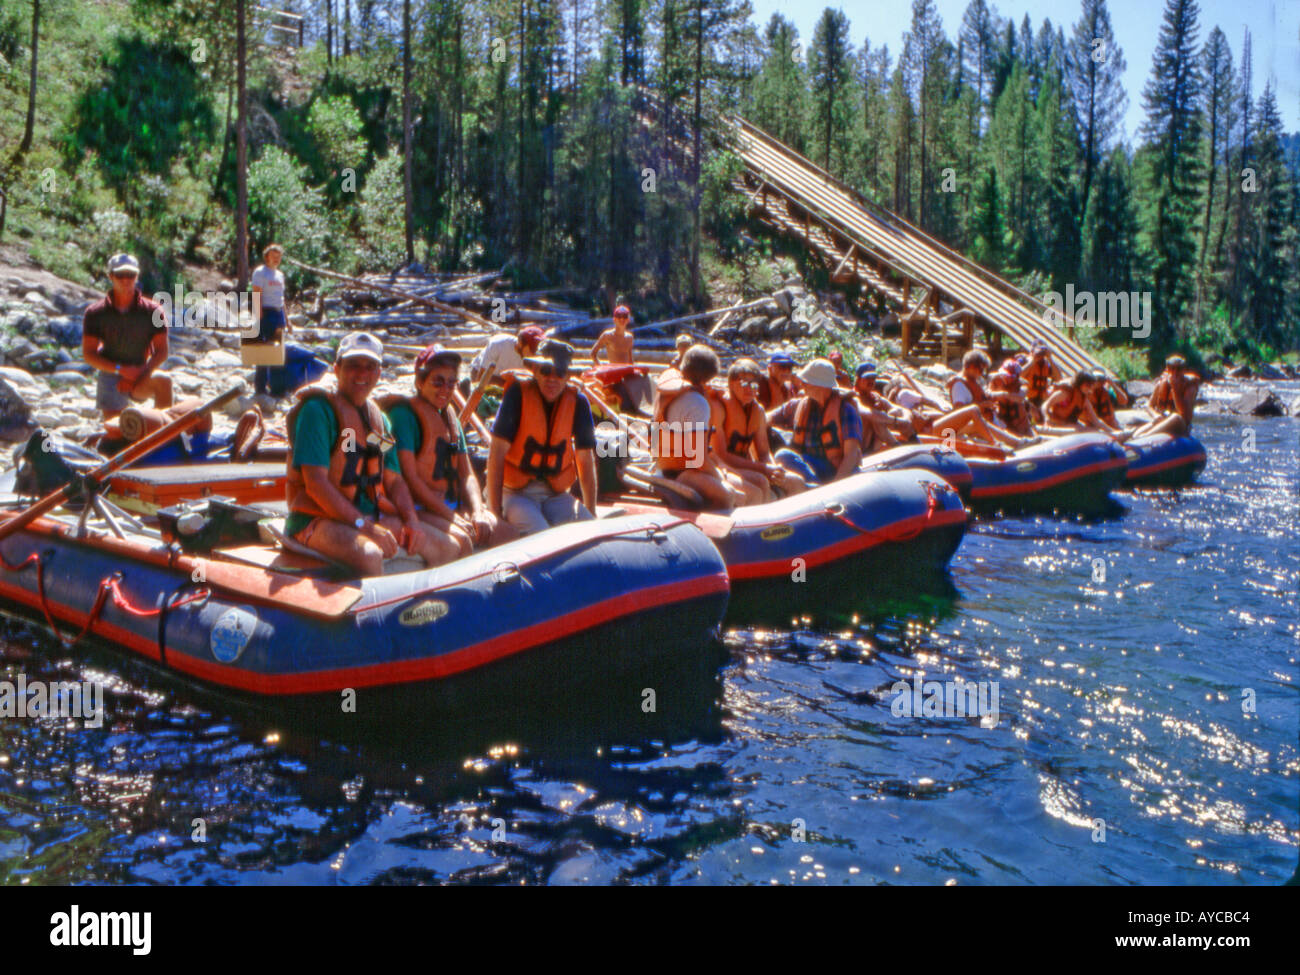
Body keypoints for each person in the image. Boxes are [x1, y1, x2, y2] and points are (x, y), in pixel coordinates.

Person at [283, 332, 439, 576]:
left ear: (378, 373)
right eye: (353, 365)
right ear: (337, 369)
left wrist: (411, 520)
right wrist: (363, 526)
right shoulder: (317, 412)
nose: (362, 374)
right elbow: (315, 484)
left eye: (370, 367)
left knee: (447, 546)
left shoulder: (380, 422)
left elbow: (394, 480)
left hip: (366, 514)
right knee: (369, 554)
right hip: (315, 519)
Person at [386, 343, 515, 560]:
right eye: (438, 381)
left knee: (508, 533)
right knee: (462, 540)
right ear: (420, 381)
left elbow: (467, 474)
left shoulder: (450, 418)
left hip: (452, 505)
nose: (445, 389)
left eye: (451, 382)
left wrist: (477, 511)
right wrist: (451, 517)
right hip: (421, 509)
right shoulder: (403, 416)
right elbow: (410, 477)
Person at [486, 339, 599, 534]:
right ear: (535, 370)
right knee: (542, 536)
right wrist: (495, 514)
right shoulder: (517, 395)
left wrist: (591, 511)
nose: (552, 379)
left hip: (555, 494)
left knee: (589, 533)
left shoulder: (578, 402)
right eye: (546, 370)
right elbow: (496, 455)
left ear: (568, 376)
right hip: (514, 492)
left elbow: (585, 461)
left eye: (560, 373)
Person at [652, 345, 758, 509]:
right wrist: (722, 480)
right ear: (707, 378)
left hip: (667, 468)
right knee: (737, 494)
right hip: (681, 474)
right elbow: (698, 460)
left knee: (753, 486)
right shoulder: (697, 403)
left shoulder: (669, 390)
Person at [81, 253, 173, 420]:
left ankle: (165, 434)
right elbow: (89, 354)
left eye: (130, 275)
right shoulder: (95, 313)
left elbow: (161, 352)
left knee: (164, 380)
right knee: (115, 432)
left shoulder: (153, 311)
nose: (125, 279)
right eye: (120, 275)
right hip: (111, 372)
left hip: (142, 371)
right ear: (111, 276)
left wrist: (140, 373)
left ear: (136, 276)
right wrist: (121, 370)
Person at [713, 359, 805, 501]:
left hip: (748, 467)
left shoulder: (758, 410)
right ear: (731, 384)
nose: (750, 389)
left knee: (796, 481)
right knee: (761, 481)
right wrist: (763, 469)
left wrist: (774, 468)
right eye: (744, 383)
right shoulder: (719, 408)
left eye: (754, 384)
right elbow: (721, 455)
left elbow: (763, 452)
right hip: (723, 467)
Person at [767, 358, 864, 484]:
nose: (802, 385)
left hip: (836, 469)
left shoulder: (846, 411)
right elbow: (769, 417)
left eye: (807, 382)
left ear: (820, 386)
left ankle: (818, 489)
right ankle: (815, 487)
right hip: (810, 466)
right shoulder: (799, 404)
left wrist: (836, 485)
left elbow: (850, 456)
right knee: (783, 455)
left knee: (785, 457)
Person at [591, 304, 652, 414]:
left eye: (624, 317)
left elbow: (630, 359)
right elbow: (593, 353)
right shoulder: (607, 335)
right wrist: (601, 367)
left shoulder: (629, 337)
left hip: (626, 373)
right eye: (619, 317)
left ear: (628, 320)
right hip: (613, 375)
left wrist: (634, 373)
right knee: (612, 399)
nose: (622, 320)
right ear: (614, 319)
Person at [249, 243, 289, 396]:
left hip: (278, 314)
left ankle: (277, 389)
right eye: (274, 256)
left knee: (278, 352)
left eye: (279, 256)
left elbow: (281, 298)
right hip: (266, 313)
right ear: (267, 257)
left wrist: (287, 319)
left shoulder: (280, 275)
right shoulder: (260, 272)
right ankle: (260, 389)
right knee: (265, 352)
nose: (277, 259)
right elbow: (256, 294)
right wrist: (258, 317)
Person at [1130, 355, 1201, 438]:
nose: (1175, 372)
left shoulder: (1189, 387)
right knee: (1136, 434)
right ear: (1167, 369)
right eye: (1172, 368)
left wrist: (1175, 390)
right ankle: (1139, 437)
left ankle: (1146, 436)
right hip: (1163, 420)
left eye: (1179, 369)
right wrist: (1155, 415)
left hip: (1180, 425)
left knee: (1176, 417)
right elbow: (1149, 406)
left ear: (1184, 370)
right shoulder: (1161, 384)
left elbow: (1184, 414)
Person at [1041, 369, 1122, 438]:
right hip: (1056, 424)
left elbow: (1096, 421)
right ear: (1079, 383)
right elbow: (1045, 406)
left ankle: (1114, 436)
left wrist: (1112, 431)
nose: (1090, 388)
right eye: (1087, 385)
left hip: (1071, 425)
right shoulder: (1064, 393)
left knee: (1094, 430)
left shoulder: (1084, 399)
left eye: (1091, 385)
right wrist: (1046, 418)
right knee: (1083, 430)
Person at [852, 361, 909, 452]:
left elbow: (901, 410)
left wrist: (904, 418)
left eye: (873, 378)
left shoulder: (873, 396)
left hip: (872, 446)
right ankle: (897, 447)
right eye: (867, 378)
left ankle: (906, 443)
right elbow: (869, 414)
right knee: (877, 417)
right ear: (858, 380)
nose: (871, 381)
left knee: (890, 413)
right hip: (857, 450)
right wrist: (894, 420)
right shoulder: (853, 397)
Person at [470, 325, 545, 383]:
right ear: (521, 343)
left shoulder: (533, 360)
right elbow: (480, 377)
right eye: (533, 350)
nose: (534, 354)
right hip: (485, 374)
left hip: (508, 380)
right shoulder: (498, 344)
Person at [987, 359, 1035, 437]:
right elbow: (987, 394)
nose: (1005, 377)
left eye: (1009, 376)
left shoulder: (1023, 384)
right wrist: (998, 393)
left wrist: (1003, 394)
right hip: (1004, 426)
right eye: (1004, 374)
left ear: (1016, 377)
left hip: (1022, 428)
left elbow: (1020, 398)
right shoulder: (996, 381)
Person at [1020, 341, 1059, 422]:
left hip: (1042, 400)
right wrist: (1033, 361)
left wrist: (1050, 359)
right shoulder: (1024, 360)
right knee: (1034, 416)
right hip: (1027, 399)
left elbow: (1059, 378)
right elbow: (1018, 375)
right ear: (1032, 351)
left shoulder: (1047, 364)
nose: (1041, 354)